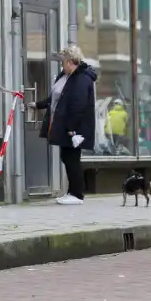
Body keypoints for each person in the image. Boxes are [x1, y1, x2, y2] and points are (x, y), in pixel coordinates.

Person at [30, 45, 97, 205]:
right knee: (67, 157)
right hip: (64, 125)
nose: (62, 65)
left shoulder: (81, 78)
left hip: (73, 128)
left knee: (71, 158)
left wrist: (71, 128)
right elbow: (55, 98)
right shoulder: (66, 76)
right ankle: (72, 192)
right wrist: (38, 104)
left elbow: (78, 105)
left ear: (70, 61)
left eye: (63, 62)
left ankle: (77, 194)